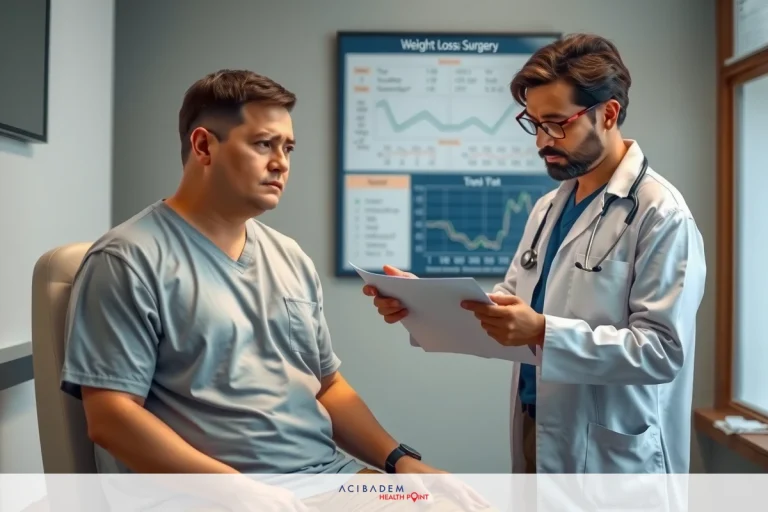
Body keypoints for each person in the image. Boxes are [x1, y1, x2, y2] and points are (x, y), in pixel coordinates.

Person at [60, 69, 488, 510]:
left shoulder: (288, 256)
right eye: (264, 144)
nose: (281, 162)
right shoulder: (128, 259)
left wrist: (399, 462)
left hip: (326, 480)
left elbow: (327, 386)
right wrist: (239, 492)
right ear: (204, 146)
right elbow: (111, 417)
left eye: (288, 148)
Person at [363, 33, 706, 474]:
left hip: (612, 451)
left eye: (557, 123)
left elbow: (662, 352)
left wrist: (544, 331)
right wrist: (423, 305)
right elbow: (508, 309)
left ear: (609, 113)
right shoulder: (550, 206)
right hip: (537, 426)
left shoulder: (661, 214)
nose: (542, 140)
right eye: (535, 123)